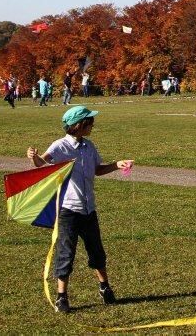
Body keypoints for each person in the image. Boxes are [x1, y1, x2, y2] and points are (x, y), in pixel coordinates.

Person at [25, 106, 133, 314]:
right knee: (66, 253)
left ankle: (105, 287)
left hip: (88, 210)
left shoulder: (88, 147)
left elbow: (97, 170)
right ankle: (61, 297)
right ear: (79, 125)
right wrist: (33, 157)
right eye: (90, 121)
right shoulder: (60, 146)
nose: (93, 124)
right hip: (68, 211)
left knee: (97, 252)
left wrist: (116, 165)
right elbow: (42, 164)